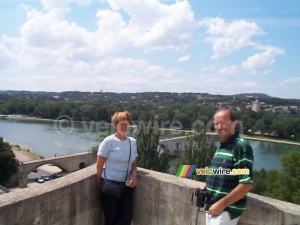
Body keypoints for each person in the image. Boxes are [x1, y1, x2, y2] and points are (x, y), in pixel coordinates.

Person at [198, 108, 254, 225]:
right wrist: (208, 187)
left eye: (224, 123)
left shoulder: (240, 145)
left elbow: (246, 184)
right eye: (216, 124)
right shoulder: (222, 145)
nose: (220, 127)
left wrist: (221, 204)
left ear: (234, 123)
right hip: (213, 209)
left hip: (224, 212)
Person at [96, 111, 138, 225]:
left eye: (126, 124)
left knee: (126, 219)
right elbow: (99, 166)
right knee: (111, 219)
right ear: (115, 126)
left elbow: (133, 164)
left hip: (127, 187)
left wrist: (134, 174)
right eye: (121, 124)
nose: (124, 127)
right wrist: (99, 186)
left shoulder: (132, 142)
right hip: (110, 186)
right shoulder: (108, 141)